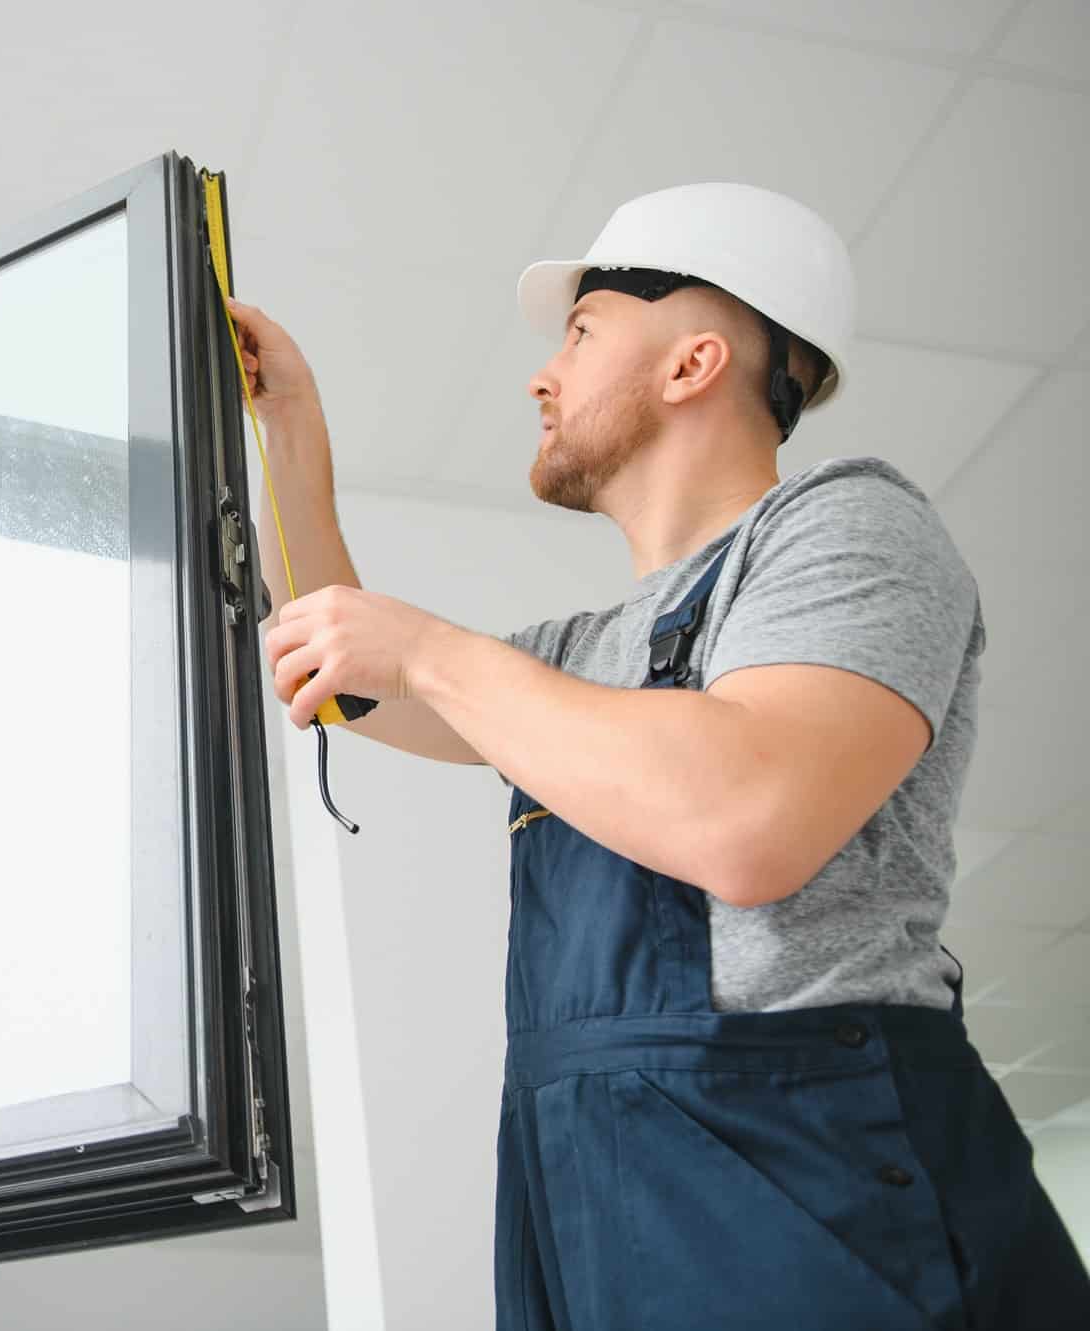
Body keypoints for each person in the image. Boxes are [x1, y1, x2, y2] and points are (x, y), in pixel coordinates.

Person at [231, 181, 1090, 1328]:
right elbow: (342, 678)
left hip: (815, 1182)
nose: (541, 374)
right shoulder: (575, 657)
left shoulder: (853, 526)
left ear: (691, 363)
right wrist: (288, 425)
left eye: (579, 334)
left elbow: (746, 818)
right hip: (587, 1183)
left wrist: (432, 652)